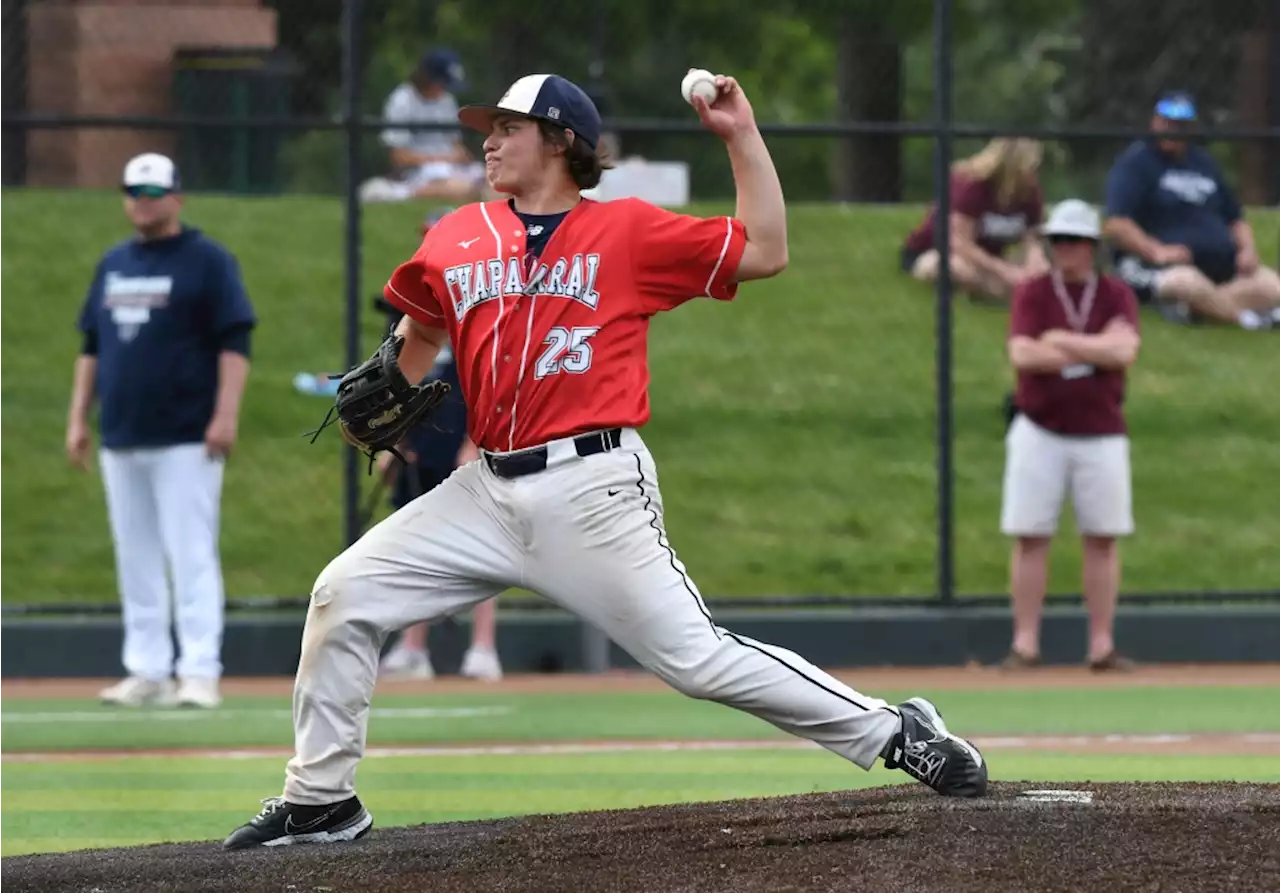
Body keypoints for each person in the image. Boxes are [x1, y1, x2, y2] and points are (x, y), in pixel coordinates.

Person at [222, 71, 987, 850]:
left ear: (560, 140)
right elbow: (419, 332)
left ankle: (896, 731)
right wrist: (393, 379)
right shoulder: (456, 234)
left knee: (696, 660)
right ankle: (320, 798)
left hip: (592, 488)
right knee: (343, 593)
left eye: (508, 126)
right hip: (483, 490)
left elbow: (764, 250)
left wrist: (740, 137)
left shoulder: (629, 232)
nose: (487, 139)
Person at [66, 152, 256, 709]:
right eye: (134, 192)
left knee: (190, 550)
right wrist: (79, 417)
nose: (142, 202)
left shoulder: (208, 261)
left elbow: (234, 343)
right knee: (135, 553)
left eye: (153, 192)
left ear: (177, 195)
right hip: (122, 434)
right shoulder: (113, 263)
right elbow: (91, 347)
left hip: (186, 435)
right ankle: (146, 667)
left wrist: (226, 414)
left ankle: (199, 670)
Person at [1000, 199, 1141, 672]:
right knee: (1030, 534)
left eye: (1075, 241)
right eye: (1058, 241)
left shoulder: (1117, 294)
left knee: (1102, 536)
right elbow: (1022, 354)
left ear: (1093, 246)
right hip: (1039, 427)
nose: (1066, 250)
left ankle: (1102, 645)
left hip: (1101, 430)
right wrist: (1095, 349)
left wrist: (1061, 342)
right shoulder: (1034, 291)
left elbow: (1125, 351)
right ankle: (1026, 644)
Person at [373, 213, 502, 682]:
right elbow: (397, 379)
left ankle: (483, 649)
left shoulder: (487, 300)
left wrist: (475, 441)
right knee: (415, 544)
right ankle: (413, 648)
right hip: (420, 443)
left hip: (468, 439)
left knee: (485, 543)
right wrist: (392, 440)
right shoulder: (407, 305)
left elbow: (493, 378)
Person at [1104, 91, 1280, 330]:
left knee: (1272, 286)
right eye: (1168, 122)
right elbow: (1116, 225)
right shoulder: (1135, 163)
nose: (1174, 130)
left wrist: (1247, 250)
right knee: (1185, 284)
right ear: (1155, 122)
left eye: (1181, 125)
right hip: (1160, 269)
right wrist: (1156, 251)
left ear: (1191, 128)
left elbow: (1236, 219)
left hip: (1220, 270)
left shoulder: (1204, 163)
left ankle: (1199, 308)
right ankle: (1250, 320)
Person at [900, 138, 1048, 303]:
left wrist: (1036, 264)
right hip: (942, 252)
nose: (1037, 174)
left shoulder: (1030, 192)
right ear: (1014, 167)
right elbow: (960, 244)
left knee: (1052, 267)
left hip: (989, 258)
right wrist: (1005, 270)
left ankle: (1002, 290)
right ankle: (997, 290)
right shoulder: (970, 185)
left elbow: (1033, 239)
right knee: (956, 269)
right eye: (1033, 168)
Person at [360, 48, 486, 204]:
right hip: (418, 172)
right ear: (428, 79)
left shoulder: (446, 100)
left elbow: (456, 144)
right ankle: (405, 193)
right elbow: (398, 158)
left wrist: (463, 156)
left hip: (450, 167)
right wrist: (443, 158)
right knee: (462, 188)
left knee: (490, 179)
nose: (444, 89)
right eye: (442, 83)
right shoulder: (402, 101)